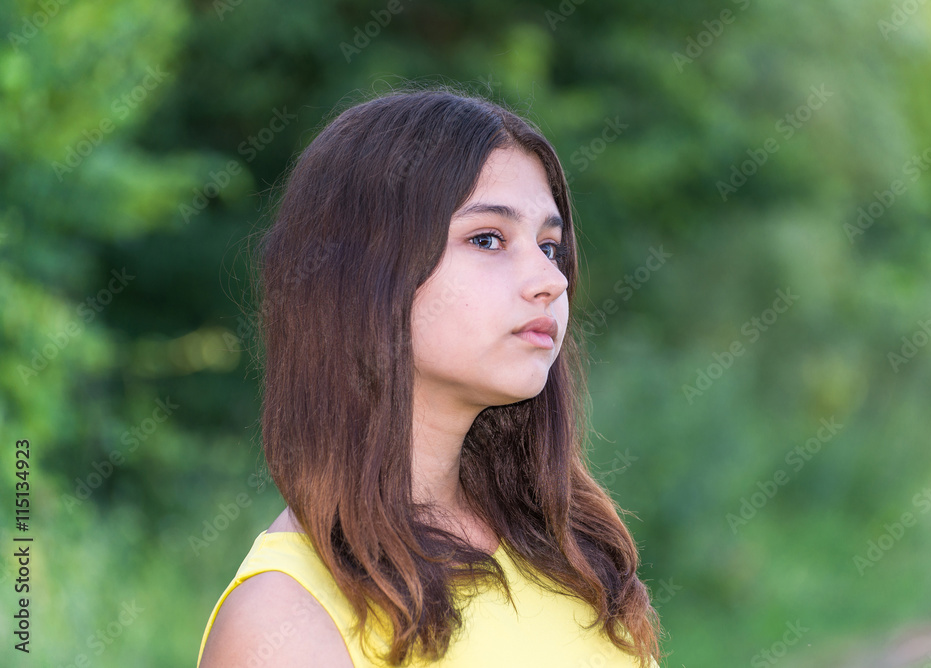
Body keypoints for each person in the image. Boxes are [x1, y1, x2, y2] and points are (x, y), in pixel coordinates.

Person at [197, 86, 663, 667]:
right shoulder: (285, 620)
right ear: (364, 275)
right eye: (487, 239)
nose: (551, 279)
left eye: (550, 245)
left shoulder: (572, 556)